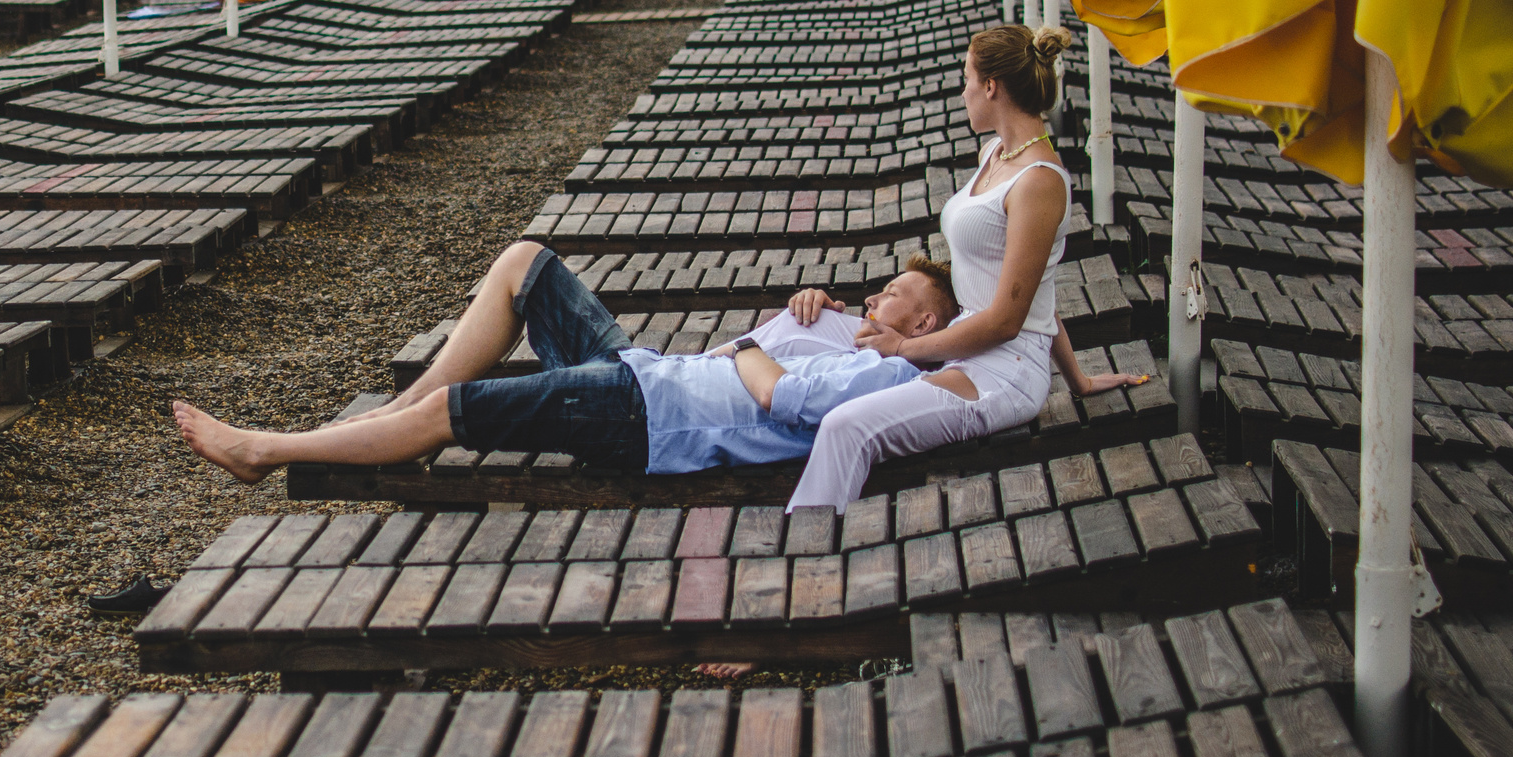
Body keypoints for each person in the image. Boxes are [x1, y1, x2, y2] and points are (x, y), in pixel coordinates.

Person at [168, 242, 964, 487]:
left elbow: (783, 400)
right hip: (649, 374)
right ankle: (389, 417)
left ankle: (264, 451)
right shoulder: (840, 327)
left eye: (892, 293)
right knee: (525, 262)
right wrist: (803, 315)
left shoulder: (888, 374)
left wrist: (756, 347)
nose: (875, 294)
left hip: (646, 417)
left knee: (454, 415)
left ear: (926, 320)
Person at [784, 24, 1146, 511]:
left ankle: (810, 549)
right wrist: (1078, 380)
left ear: (991, 86)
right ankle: (689, 375)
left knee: (847, 425)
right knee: (802, 325)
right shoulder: (995, 154)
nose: (963, 91)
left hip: (1003, 370)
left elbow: (1008, 320)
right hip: (960, 342)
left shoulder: (1039, 183)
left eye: (966, 79)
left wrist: (905, 347)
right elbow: (1033, 288)